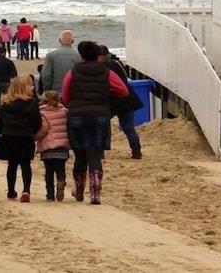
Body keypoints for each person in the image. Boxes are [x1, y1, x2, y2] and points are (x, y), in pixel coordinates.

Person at [61, 40, 130, 205]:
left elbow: (65, 96)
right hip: (100, 115)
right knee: (95, 155)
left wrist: (73, 105)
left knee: (80, 156)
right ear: (98, 55)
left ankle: (79, 191)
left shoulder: (72, 72)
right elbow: (123, 91)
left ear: (82, 55)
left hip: (77, 115)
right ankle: (95, 194)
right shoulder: (106, 73)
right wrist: (106, 95)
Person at [0, 75, 41, 202]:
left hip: (9, 136)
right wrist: (33, 132)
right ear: (24, 87)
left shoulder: (6, 104)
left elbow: (0, 122)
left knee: (12, 165)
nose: (33, 87)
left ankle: (11, 191)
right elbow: (37, 122)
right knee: (25, 164)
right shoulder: (32, 104)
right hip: (25, 137)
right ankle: (26, 190)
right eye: (30, 85)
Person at [99, 45, 144, 159]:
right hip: (127, 99)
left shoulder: (106, 67)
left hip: (114, 100)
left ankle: (101, 151)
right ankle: (136, 151)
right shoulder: (117, 62)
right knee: (128, 127)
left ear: (101, 56)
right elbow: (125, 78)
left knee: (103, 124)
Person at [35, 90, 70, 201]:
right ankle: (61, 182)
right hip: (61, 146)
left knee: (49, 171)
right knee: (61, 169)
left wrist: (36, 137)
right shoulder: (64, 111)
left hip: (47, 147)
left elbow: (43, 129)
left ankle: (50, 194)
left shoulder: (43, 112)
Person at [40, 30, 81, 94]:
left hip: (55, 92)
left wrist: (47, 90)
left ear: (59, 40)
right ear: (73, 41)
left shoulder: (51, 55)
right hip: (73, 92)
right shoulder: (79, 56)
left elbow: (46, 76)